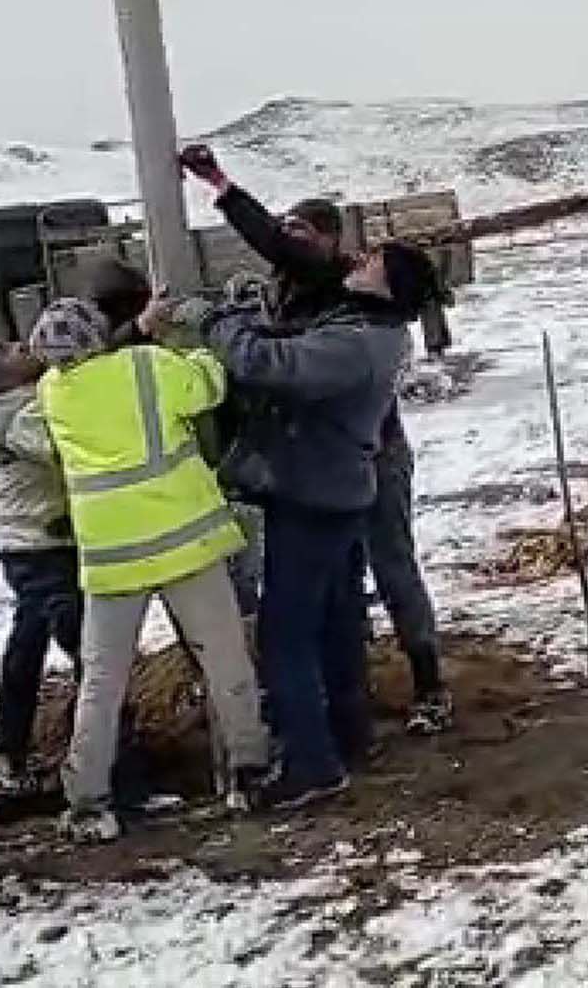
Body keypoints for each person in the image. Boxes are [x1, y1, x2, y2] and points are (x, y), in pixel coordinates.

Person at [154, 240, 444, 808]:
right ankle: (348, 734)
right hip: (334, 494)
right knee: (335, 622)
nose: (358, 263)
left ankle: (312, 765)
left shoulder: (358, 344)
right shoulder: (364, 327)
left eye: (371, 263)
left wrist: (210, 319)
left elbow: (269, 365)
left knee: (285, 635)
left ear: (389, 287)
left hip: (311, 499)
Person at [180, 144, 455, 735]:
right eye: (287, 230)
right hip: (327, 462)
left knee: (392, 563)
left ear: (329, 242)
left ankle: (429, 682)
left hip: (372, 453)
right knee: (341, 580)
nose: (290, 240)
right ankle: (349, 698)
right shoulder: (300, 290)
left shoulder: (339, 282)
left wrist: (222, 187)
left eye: (303, 233)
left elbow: (281, 340)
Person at [28, 299, 269, 842]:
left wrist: (137, 328)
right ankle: (247, 773)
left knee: (102, 682)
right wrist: (188, 342)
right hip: (186, 544)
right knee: (225, 661)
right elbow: (209, 387)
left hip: (112, 560)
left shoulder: (52, 392)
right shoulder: (147, 365)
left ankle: (88, 800)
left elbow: (101, 372)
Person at [0, 337, 82, 806]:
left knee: (26, 649)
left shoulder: (16, 409)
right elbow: (69, 447)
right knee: (85, 647)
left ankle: (12, 751)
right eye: (8, 351)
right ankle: (93, 753)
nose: (20, 345)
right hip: (43, 549)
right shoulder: (15, 416)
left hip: (30, 549)